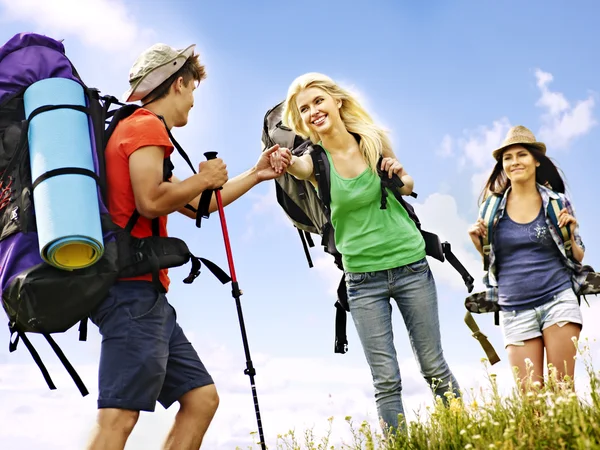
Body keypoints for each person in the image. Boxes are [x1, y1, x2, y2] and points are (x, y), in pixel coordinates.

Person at [87, 43, 282, 450]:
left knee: (200, 398)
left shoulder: (138, 130)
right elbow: (152, 200)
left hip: (146, 297)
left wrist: (256, 174)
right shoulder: (145, 127)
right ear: (178, 84)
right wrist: (205, 175)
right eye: (193, 90)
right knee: (118, 418)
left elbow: (195, 205)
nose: (193, 102)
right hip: (131, 293)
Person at [270, 72, 460, 434]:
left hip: (411, 267)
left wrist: (400, 172)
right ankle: (401, 445)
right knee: (386, 380)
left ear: (337, 101)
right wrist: (284, 160)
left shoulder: (373, 140)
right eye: (304, 109)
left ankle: (463, 436)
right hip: (362, 282)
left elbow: (405, 186)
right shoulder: (315, 159)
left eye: (318, 101)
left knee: (433, 366)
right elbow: (300, 168)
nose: (313, 111)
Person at [467, 125, 585, 390]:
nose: (514, 162)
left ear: (536, 160)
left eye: (521, 155)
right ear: (502, 166)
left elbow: (577, 255)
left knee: (562, 390)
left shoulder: (556, 202)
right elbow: (493, 262)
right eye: (507, 158)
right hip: (514, 308)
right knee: (531, 400)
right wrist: (479, 245)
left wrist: (571, 232)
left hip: (558, 300)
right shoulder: (490, 208)